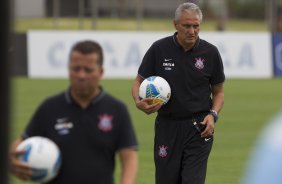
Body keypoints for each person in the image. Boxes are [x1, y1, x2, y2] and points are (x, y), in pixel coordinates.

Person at [10, 40, 138, 184]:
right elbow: (21, 144)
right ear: (69, 69)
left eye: (88, 70)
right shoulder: (50, 107)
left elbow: (129, 157)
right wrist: (10, 159)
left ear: (101, 72)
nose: (81, 75)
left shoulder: (117, 109)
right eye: (76, 69)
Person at [132, 2, 224, 184]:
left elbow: (219, 92)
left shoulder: (211, 52)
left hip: (199, 128)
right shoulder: (159, 49)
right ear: (175, 25)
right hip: (167, 127)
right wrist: (137, 101)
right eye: (186, 26)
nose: (192, 30)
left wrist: (213, 115)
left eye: (196, 26)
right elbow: (138, 82)